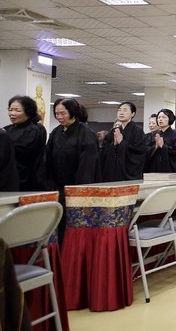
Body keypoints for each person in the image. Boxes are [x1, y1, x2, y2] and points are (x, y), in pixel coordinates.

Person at [45, 98, 102, 240]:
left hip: (76, 191)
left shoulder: (85, 133)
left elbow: (87, 166)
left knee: (73, 227)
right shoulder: (56, 132)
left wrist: (77, 191)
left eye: (63, 113)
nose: (59, 117)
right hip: (57, 189)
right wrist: (50, 184)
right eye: (57, 113)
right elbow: (47, 159)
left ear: (73, 113)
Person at [5, 95, 47, 190]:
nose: (12, 113)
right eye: (10, 109)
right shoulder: (8, 129)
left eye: (17, 110)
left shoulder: (33, 130)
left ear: (28, 112)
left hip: (24, 179)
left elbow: (23, 153)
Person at [100, 101, 146, 182]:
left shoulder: (137, 131)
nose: (121, 112)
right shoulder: (113, 131)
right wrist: (114, 144)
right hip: (113, 172)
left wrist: (122, 143)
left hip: (128, 172)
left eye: (125, 110)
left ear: (132, 114)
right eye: (119, 110)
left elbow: (139, 151)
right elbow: (104, 150)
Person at [145, 108, 176, 174]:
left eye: (164, 117)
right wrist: (155, 147)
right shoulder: (152, 135)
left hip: (169, 170)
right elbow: (145, 151)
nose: (160, 119)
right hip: (153, 169)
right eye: (159, 117)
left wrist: (163, 146)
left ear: (170, 119)